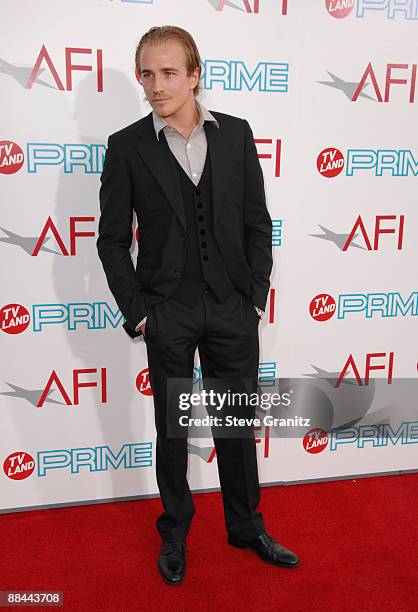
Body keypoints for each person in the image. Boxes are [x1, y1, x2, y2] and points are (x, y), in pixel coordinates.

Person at [97, 25, 300, 585]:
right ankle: (176, 533)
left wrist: (254, 297)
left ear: (194, 75)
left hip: (233, 307)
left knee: (237, 422)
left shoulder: (236, 136)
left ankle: (246, 525)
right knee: (173, 430)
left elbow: (257, 223)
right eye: (146, 74)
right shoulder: (127, 146)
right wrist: (139, 311)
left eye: (168, 73)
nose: (155, 86)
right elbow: (113, 240)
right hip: (168, 312)